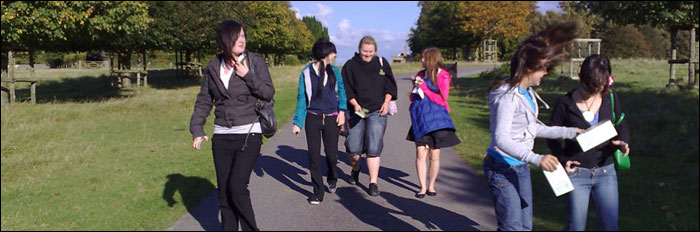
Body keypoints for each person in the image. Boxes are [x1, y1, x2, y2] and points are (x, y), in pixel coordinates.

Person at [483, 22, 584, 231]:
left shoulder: (527, 93)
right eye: (542, 68)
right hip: (501, 168)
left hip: (519, 167)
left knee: (525, 227)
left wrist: (570, 132)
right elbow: (500, 139)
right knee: (512, 228)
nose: (545, 73)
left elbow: (532, 129)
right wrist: (537, 158)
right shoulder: (508, 97)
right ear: (529, 68)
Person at [189, 20, 274, 231]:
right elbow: (204, 101)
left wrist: (248, 76)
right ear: (225, 40)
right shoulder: (212, 67)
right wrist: (197, 129)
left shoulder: (254, 61)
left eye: (244, 35)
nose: (242, 40)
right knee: (225, 194)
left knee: (237, 187)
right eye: (237, 36)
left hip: (249, 133)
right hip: (221, 136)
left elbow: (268, 92)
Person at [547, 54, 630, 231]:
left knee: (610, 226)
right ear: (581, 77)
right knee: (575, 227)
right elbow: (551, 136)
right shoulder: (565, 103)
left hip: (606, 171)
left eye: (599, 87)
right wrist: (562, 159)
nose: (594, 91)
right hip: (577, 173)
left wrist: (623, 142)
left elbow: (621, 125)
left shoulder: (611, 98)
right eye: (589, 87)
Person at [291, 38, 347, 205]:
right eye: (332, 52)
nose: (335, 55)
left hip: (331, 118)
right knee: (314, 156)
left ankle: (332, 176)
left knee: (331, 155)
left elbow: (342, 92)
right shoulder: (306, 73)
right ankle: (318, 191)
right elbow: (302, 98)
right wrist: (297, 122)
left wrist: (342, 111)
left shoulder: (335, 71)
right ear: (324, 54)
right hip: (313, 119)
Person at [341, 36, 398, 196]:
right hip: (356, 110)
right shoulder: (350, 66)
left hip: (377, 110)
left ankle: (373, 182)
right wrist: (354, 104)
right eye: (364, 52)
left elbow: (390, 85)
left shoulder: (381, 63)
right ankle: (356, 169)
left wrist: (386, 102)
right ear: (359, 50)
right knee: (354, 149)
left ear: (375, 51)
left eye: (370, 52)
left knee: (374, 146)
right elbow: (345, 88)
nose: (367, 55)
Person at [406, 47, 461, 198]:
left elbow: (441, 100)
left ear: (430, 58)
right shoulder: (420, 74)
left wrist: (424, 87)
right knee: (420, 153)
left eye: (423, 57)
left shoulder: (443, 75)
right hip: (421, 119)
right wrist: (415, 87)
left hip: (437, 121)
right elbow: (413, 98)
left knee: (434, 155)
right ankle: (422, 187)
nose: (421, 60)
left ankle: (431, 185)